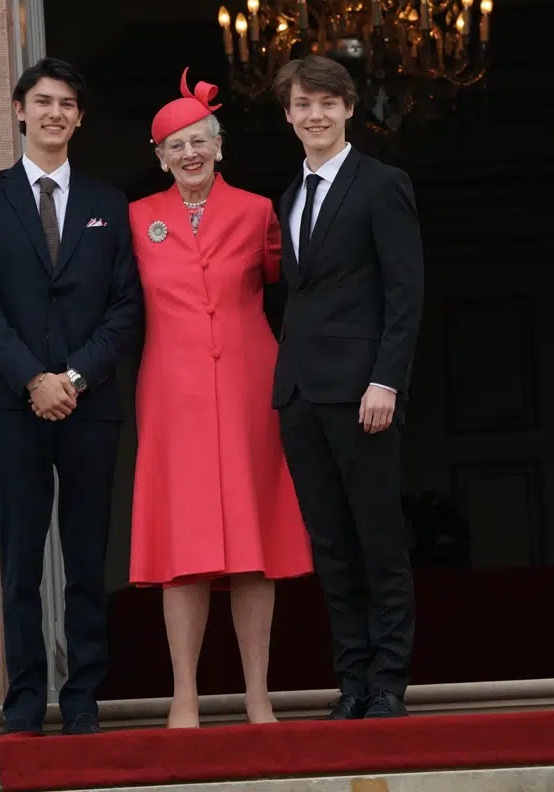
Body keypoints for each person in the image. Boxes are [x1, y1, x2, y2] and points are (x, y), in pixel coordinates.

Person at [0, 57, 143, 737]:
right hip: (11, 402)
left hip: (91, 403)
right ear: (19, 110)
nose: (55, 113)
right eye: (43, 101)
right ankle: (28, 698)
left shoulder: (108, 203)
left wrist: (75, 378)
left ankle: (85, 695)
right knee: (21, 558)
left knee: (87, 555)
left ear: (80, 118)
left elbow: (127, 307)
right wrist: (35, 378)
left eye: (67, 104)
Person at [127, 69, 313, 729]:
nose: (189, 154)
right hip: (172, 391)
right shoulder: (137, 219)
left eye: (199, 140)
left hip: (247, 386)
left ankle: (258, 696)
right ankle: (185, 697)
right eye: (174, 145)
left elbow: (293, 288)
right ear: (159, 158)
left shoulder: (261, 211)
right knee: (183, 546)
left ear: (220, 145)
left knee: (252, 542)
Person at [271, 55, 424, 720]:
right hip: (301, 396)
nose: (315, 115)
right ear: (288, 115)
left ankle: (389, 680)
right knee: (330, 548)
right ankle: (352, 681)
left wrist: (385, 379)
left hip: (364, 394)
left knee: (378, 540)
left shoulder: (381, 184)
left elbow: (405, 290)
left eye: (327, 103)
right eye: (303, 104)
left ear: (348, 109)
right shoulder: (290, 196)